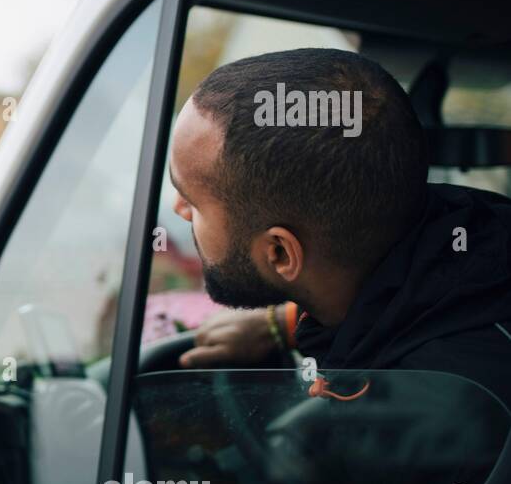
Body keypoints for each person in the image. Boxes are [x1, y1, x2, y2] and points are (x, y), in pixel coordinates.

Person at [167, 47, 511, 410]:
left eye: (193, 200)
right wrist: (282, 325)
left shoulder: (428, 418)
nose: (179, 209)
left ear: (280, 252)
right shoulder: (480, 234)